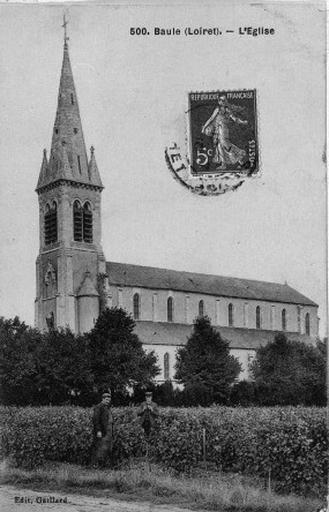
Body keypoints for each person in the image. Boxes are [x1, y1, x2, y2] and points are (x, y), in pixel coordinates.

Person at [201, 96, 248, 169]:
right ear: (219, 101)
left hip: (223, 129)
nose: (222, 102)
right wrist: (204, 127)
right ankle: (224, 164)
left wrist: (243, 122)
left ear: (225, 102)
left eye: (224, 100)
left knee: (226, 145)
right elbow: (211, 119)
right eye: (221, 100)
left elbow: (235, 119)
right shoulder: (217, 109)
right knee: (219, 146)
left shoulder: (227, 110)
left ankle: (240, 160)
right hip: (218, 129)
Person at [91, 390, 114, 467]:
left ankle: (103, 465)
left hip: (109, 430)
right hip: (103, 431)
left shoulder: (107, 408)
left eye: (109, 399)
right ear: (103, 399)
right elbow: (96, 420)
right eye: (106, 399)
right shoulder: (99, 407)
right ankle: (96, 465)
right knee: (100, 448)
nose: (108, 401)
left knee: (107, 448)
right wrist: (98, 431)